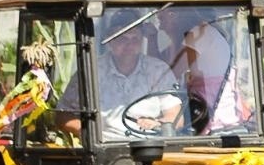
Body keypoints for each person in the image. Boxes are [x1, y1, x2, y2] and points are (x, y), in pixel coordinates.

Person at [57, 10, 182, 142]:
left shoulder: (158, 70)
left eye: (135, 39)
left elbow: (176, 117)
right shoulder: (91, 71)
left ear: (141, 41)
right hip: (105, 148)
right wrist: (91, 134)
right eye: (123, 39)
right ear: (110, 40)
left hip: (150, 146)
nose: (129, 45)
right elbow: (62, 115)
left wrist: (159, 124)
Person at [159, 6, 233, 132]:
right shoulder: (200, 33)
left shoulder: (200, 33)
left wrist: (171, 34)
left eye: (162, 20)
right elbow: (160, 63)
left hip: (211, 115)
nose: (160, 27)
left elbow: (171, 73)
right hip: (208, 108)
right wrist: (151, 38)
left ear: (173, 15)